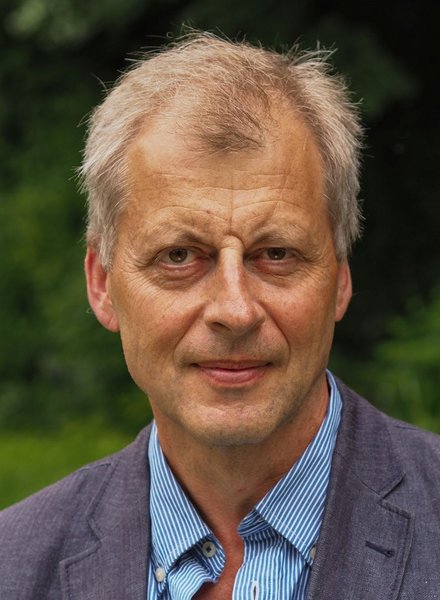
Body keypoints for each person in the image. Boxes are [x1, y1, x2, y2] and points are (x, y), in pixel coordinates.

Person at [1, 31, 439, 600]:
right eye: (179, 257)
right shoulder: (13, 566)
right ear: (103, 284)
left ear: (340, 279)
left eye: (276, 253)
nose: (235, 311)